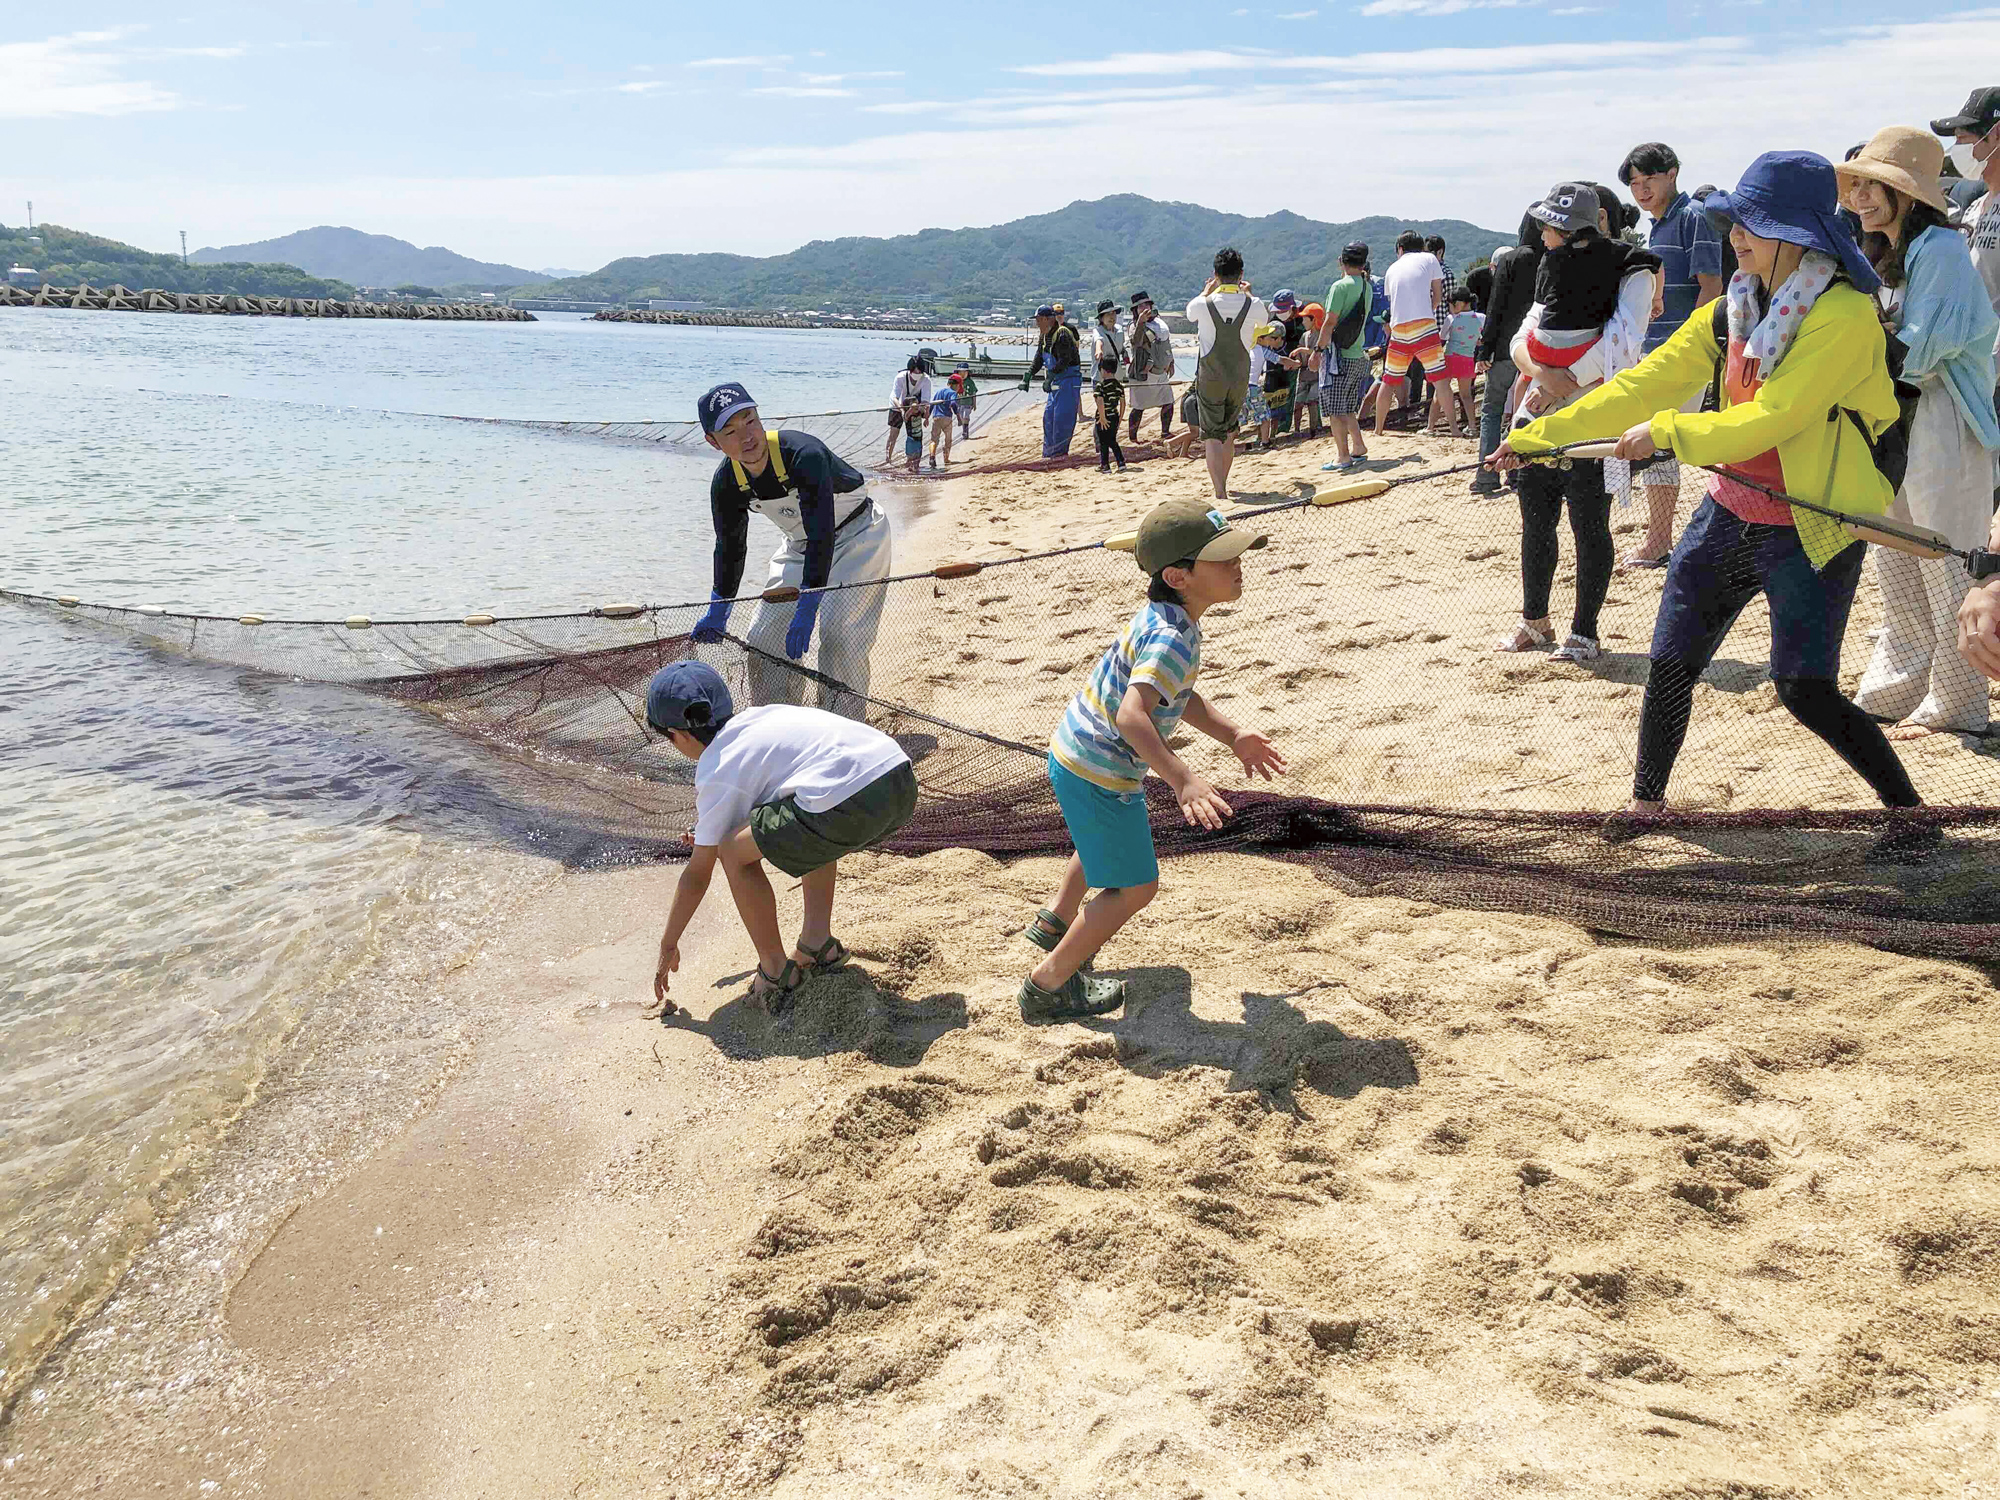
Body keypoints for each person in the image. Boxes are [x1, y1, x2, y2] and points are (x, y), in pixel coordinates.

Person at [1497, 150, 1938, 864]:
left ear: (1803, 236)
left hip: (1812, 521)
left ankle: (1910, 812)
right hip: (1733, 508)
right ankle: (1647, 801)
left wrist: (1667, 432)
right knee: (1670, 661)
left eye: (1754, 226)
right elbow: (1643, 383)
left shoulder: (1846, 315)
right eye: (1734, 222)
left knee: (1804, 689)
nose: (1737, 236)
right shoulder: (1734, 305)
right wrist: (1541, 436)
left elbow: (1774, 418)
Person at [1019, 500, 1287, 1023]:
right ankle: (1049, 983)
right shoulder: (1172, 637)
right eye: (1223, 557)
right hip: (1100, 767)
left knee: (1102, 842)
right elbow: (1132, 716)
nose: (1239, 564)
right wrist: (1182, 778)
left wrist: (1233, 735)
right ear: (1178, 576)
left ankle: (1056, 919)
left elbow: (1176, 696)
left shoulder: (1168, 618)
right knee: (1136, 887)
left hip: (1078, 753)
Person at [1839, 126, 2000, 738]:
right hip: (1897, 413)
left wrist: (1852, 362)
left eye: (1876, 186)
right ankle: (1898, 685)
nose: (1862, 197)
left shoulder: (1938, 247)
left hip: (1941, 415)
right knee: (1894, 548)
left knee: (1945, 551)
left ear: (1910, 194)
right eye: (1858, 185)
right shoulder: (1888, 252)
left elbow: (1924, 348)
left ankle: (1957, 702)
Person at [644, 661, 918, 1018]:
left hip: (850, 802)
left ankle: (774, 970)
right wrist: (709, 831)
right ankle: (816, 944)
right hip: (897, 780)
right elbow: (772, 798)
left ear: (676, 734)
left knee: (732, 852)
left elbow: (698, 874)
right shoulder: (761, 718)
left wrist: (669, 943)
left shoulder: (716, 767)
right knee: (806, 804)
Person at [1499, 183, 1663, 664]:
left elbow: (1627, 337)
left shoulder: (1633, 267)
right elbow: (1525, 331)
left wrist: (1568, 378)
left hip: (1598, 408)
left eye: (1553, 225)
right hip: (1541, 400)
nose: (1546, 233)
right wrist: (1542, 373)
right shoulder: (1550, 265)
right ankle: (1535, 621)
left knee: (1590, 520)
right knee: (1536, 514)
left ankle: (1584, 630)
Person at [693, 382, 894, 721]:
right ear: (713, 442)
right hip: (800, 547)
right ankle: (780, 725)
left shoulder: (803, 453)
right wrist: (719, 607)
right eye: (730, 431)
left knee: (840, 636)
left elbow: (822, 536)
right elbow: (730, 548)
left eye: (750, 420)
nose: (747, 437)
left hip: (859, 536)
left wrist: (808, 605)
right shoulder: (727, 482)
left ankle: (843, 727)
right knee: (764, 639)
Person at [1619, 141, 1730, 569]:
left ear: (1673, 173)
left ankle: (1659, 540)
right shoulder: (1660, 224)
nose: (1642, 190)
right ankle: (1657, 534)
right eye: (1635, 184)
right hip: (1657, 349)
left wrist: (1695, 348)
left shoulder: (1693, 217)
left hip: (1682, 352)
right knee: (1654, 441)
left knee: (1660, 440)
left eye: (1649, 180)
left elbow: (1711, 285)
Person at [1470, 213, 1545, 493]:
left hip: (1504, 349)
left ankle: (1487, 474)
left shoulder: (1511, 259)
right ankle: (1518, 474)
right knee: (1526, 412)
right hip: (1537, 350)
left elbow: (1496, 305)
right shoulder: (1550, 258)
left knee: (1491, 411)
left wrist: (1484, 349)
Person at [1186, 248, 1269, 500]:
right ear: (1241, 274)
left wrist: (1206, 291)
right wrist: (1249, 293)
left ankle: (1219, 490)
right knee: (1230, 433)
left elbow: (1190, 314)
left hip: (1211, 377)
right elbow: (1264, 323)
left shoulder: (1203, 303)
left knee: (1212, 436)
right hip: (1239, 377)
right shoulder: (1253, 304)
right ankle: (1225, 483)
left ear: (1215, 275)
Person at [1371, 231, 1447, 438]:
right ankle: (1456, 430)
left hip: (1398, 328)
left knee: (1389, 380)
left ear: (1400, 249)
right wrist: (1429, 310)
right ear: (1421, 247)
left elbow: (1394, 300)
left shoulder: (1391, 269)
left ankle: (1378, 429)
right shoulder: (1430, 258)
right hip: (1423, 325)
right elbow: (1438, 295)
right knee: (1440, 379)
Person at [1313, 241, 1375, 470]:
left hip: (1339, 359)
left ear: (1342, 261)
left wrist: (1317, 352)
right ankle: (1358, 447)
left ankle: (1343, 456)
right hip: (1358, 354)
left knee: (1335, 410)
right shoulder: (1366, 287)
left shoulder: (1340, 287)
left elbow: (1329, 323)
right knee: (1348, 406)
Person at [1021, 304, 1083, 457]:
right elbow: (1038, 359)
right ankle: (1048, 454)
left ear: (1048, 319)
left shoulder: (1062, 334)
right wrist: (1028, 375)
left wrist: (1050, 377)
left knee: (1062, 418)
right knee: (1049, 418)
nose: (1037, 324)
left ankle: (1059, 454)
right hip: (1056, 383)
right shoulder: (1044, 336)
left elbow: (1064, 360)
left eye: (1039, 320)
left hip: (1069, 381)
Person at [1124, 290, 1176, 442]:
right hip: (1144, 372)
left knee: (1168, 401)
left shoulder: (1159, 323)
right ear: (1135, 310)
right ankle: (1132, 437)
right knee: (1139, 406)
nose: (1144, 308)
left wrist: (1171, 361)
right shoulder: (1134, 325)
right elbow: (1136, 342)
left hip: (1161, 371)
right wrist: (1140, 322)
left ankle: (1165, 432)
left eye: (1146, 304)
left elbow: (1166, 344)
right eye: (1140, 306)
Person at [1434, 286, 1483, 438]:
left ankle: (1430, 426)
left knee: (1440, 392)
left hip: (1450, 358)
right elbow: (1480, 341)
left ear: (1459, 303)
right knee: (1466, 395)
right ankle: (1473, 427)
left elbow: (1441, 337)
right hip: (1468, 359)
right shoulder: (1481, 318)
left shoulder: (1451, 319)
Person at [1245, 322, 1298, 447]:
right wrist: (1295, 363)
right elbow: (1281, 359)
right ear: (1260, 339)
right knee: (1265, 416)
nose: (1270, 339)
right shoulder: (1263, 350)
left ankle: (1229, 444)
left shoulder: (1246, 348)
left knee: (1237, 419)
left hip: (1239, 387)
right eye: (1268, 336)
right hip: (1252, 387)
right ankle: (1265, 441)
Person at [884, 357, 930, 464]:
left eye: (919, 372)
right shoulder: (900, 377)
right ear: (910, 370)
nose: (917, 374)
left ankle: (912, 459)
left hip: (914, 405)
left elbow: (925, 401)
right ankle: (888, 458)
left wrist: (923, 414)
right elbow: (895, 397)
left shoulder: (926, 379)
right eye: (914, 372)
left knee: (914, 434)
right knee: (894, 433)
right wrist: (902, 411)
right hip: (897, 405)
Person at [1092, 342, 1129, 474]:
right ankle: (1121, 463)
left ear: (1103, 370)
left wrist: (1101, 417)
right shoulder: (1119, 386)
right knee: (1113, 441)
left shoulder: (1100, 386)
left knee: (1103, 443)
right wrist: (1120, 417)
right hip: (1114, 415)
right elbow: (1123, 402)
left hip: (1103, 418)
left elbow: (1100, 401)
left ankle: (1105, 466)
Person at [1426, 236, 1457, 344]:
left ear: (1440, 252)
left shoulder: (1446, 274)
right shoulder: (1446, 273)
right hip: (1432, 328)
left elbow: (1452, 305)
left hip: (1435, 330)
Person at [926, 379, 959, 471]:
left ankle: (932, 457)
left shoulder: (938, 392)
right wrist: (958, 416)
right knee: (948, 439)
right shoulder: (953, 393)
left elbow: (932, 404)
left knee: (934, 440)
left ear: (948, 384)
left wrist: (927, 418)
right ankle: (946, 459)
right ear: (956, 385)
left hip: (936, 417)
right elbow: (953, 403)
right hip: (946, 417)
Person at [951, 366, 979, 440]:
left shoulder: (970, 382)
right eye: (960, 372)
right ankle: (962, 427)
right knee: (960, 417)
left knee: (966, 417)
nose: (962, 374)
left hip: (968, 403)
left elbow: (973, 393)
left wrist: (974, 404)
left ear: (968, 373)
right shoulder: (956, 382)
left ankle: (965, 433)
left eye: (964, 372)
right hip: (959, 403)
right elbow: (952, 393)